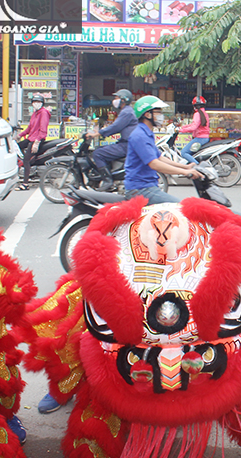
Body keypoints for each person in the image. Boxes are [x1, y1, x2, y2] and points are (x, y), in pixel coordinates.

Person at [36, 94, 203, 415]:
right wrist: (186, 172)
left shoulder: (147, 134)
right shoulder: (139, 134)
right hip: (139, 193)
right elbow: (154, 165)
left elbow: (159, 162)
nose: (160, 116)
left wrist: (185, 166)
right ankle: (66, 384)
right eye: (157, 112)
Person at [86, 89, 137, 191]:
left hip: (127, 145)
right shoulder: (126, 111)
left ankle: (107, 180)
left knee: (98, 154)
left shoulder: (126, 112)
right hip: (126, 143)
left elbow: (115, 127)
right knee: (102, 149)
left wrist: (97, 134)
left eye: (116, 98)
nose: (114, 100)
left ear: (123, 100)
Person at [16, 93, 51, 190]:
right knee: (17, 146)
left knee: (26, 160)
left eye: (39, 102)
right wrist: (19, 135)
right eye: (35, 102)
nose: (37, 103)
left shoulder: (43, 113)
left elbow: (43, 130)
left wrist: (37, 142)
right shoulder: (35, 113)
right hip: (31, 137)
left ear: (42, 103)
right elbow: (29, 128)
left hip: (37, 139)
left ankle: (25, 184)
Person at [180, 96, 211, 164]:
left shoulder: (197, 114)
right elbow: (193, 124)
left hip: (200, 138)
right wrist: (184, 127)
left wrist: (181, 130)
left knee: (184, 152)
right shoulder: (205, 114)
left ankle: (198, 166)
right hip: (205, 138)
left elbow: (193, 127)